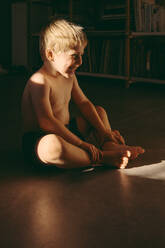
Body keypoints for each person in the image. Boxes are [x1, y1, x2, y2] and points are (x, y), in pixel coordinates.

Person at [21, 18, 144, 170]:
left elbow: (84, 104)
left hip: (67, 131)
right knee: (53, 146)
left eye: (82, 55)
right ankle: (101, 157)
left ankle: (108, 144)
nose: (80, 62)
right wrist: (81, 144)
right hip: (40, 139)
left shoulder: (69, 77)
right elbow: (46, 122)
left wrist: (105, 132)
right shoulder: (39, 81)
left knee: (99, 111)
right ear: (51, 55)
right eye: (74, 55)